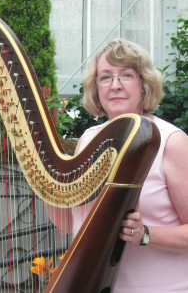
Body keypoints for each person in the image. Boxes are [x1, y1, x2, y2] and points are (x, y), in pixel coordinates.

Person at [46, 39, 188, 292]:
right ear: (96, 88)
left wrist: (145, 234)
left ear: (144, 85)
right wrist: (46, 185)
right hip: (97, 285)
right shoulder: (89, 139)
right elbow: (68, 224)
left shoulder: (171, 141)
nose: (115, 86)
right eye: (105, 77)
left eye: (126, 75)